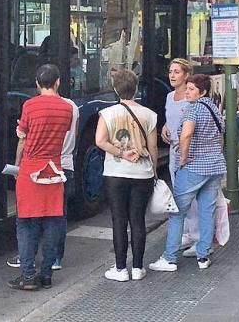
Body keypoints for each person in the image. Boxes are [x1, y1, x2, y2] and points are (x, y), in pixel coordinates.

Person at [150, 74, 226, 272]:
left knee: (177, 211)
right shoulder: (213, 109)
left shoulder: (193, 109)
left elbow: (187, 133)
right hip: (215, 166)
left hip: (194, 167)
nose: (187, 92)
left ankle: (170, 258)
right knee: (206, 211)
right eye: (187, 88)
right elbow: (220, 137)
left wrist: (183, 157)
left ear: (202, 92)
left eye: (191, 89)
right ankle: (203, 255)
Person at [9, 64, 73, 290]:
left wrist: (17, 166)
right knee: (53, 221)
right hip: (54, 170)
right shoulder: (67, 109)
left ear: (37, 83)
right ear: (58, 82)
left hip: (30, 170)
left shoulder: (29, 105)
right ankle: (46, 275)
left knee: (26, 223)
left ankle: (27, 275)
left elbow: (23, 138)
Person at [96, 69, 158, 282]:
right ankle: (138, 267)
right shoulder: (149, 115)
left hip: (115, 173)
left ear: (115, 89)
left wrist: (120, 153)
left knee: (119, 220)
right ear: (136, 88)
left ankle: (121, 268)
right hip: (142, 173)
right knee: (138, 220)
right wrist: (154, 170)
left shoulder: (108, 114)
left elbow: (100, 141)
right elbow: (152, 147)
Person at [161, 58, 202, 257]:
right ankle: (186, 231)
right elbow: (171, 120)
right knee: (178, 193)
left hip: (189, 152)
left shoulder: (191, 98)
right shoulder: (169, 97)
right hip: (173, 151)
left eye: (177, 72)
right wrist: (165, 129)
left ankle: (197, 235)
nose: (172, 75)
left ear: (186, 75)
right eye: (170, 71)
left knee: (191, 196)